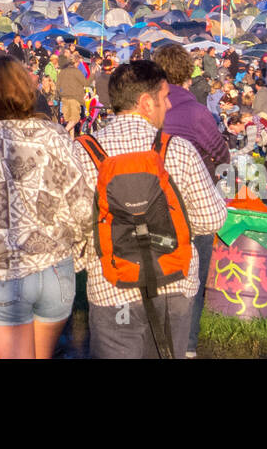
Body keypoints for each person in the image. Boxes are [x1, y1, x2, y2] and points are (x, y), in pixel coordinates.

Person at [71, 60, 227, 359]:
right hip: (174, 284)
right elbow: (212, 218)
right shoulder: (177, 148)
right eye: (165, 97)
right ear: (146, 102)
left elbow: (73, 228)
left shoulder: (83, 151)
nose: (168, 105)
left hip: (112, 289)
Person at [0, 56, 92, 359]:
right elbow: (84, 208)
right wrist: (75, 250)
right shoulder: (55, 135)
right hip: (54, 269)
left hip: (1, 272)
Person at [151, 44, 229, 358]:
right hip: (193, 208)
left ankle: (154, 338)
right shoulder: (197, 111)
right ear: (188, 73)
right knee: (193, 279)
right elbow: (222, 154)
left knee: (152, 275)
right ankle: (188, 346)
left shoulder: (147, 108)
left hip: (151, 203)